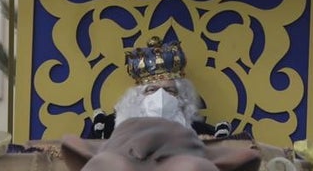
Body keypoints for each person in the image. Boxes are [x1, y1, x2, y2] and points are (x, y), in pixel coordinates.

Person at [91, 35, 231, 138]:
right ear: (137, 96)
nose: (161, 96)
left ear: (182, 97)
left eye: (170, 90)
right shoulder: (108, 128)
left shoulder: (202, 133)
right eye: (152, 89)